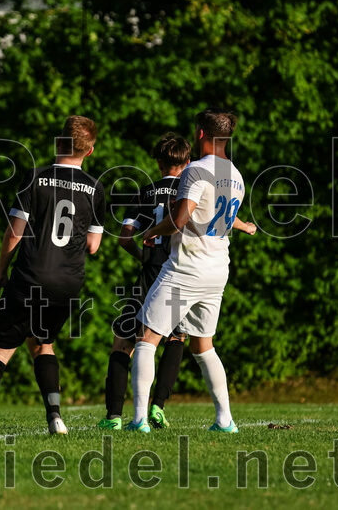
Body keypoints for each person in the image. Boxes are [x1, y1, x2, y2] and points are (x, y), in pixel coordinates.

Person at [0, 116, 106, 438]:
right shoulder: (96, 188)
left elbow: (15, 233)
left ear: (58, 143)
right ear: (90, 151)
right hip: (67, 281)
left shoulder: (36, 178)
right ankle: (55, 417)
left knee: (0, 348)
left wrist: (0, 271)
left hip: (31, 275)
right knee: (43, 343)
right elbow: (94, 246)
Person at [128, 109, 251, 433]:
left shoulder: (196, 170)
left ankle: (139, 419)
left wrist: (153, 231)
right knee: (202, 345)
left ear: (200, 134)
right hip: (217, 268)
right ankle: (225, 419)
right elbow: (219, 220)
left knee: (146, 338)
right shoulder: (236, 175)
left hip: (186, 268)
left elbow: (181, 219)